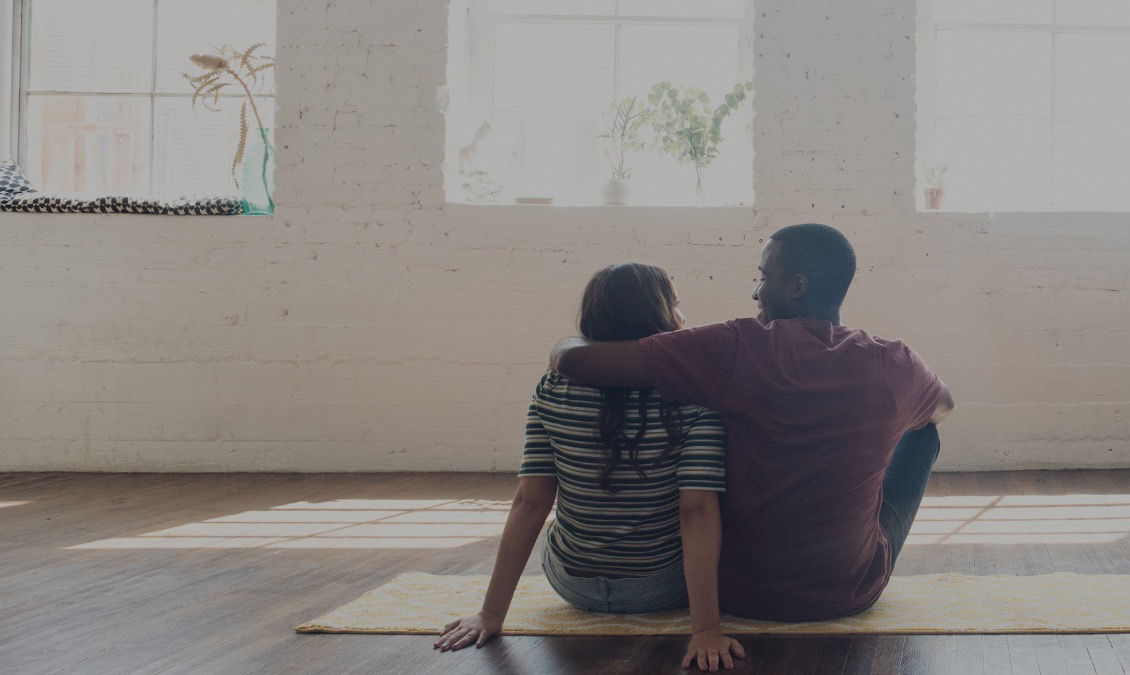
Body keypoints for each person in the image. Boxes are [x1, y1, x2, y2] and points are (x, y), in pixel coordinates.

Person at [551, 224, 955, 622]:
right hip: (848, 592)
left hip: (741, 592)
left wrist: (562, 344)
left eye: (763, 278)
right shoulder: (894, 362)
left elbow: (575, 361)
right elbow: (944, 408)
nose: (755, 291)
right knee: (923, 435)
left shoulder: (733, 347)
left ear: (797, 286)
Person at [436, 263, 746, 671]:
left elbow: (530, 503)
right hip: (659, 589)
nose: (683, 316)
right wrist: (705, 630)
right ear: (660, 314)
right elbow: (697, 511)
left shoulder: (551, 388)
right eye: (676, 305)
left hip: (572, 585)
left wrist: (491, 614)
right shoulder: (692, 398)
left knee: (556, 525)